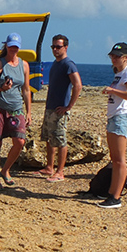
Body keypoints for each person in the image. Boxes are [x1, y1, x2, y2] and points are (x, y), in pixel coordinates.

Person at [0, 32, 31, 188]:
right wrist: (1, 88)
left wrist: (29, 111)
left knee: (20, 141)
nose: (13, 49)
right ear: (6, 46)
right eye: (11, 46)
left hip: (16, 108)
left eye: (16, 47)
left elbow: (26, 89)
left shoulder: (24, 65)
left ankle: (6, 170)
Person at [39, 34, 82, 182]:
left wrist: (68, 106)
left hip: (59, 109)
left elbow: (78, 85)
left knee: (60, 139)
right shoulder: (56, 64)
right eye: (53, 47)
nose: (55, 49)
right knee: (49, 138)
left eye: (58, 47)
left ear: (65, 47)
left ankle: (60, 171)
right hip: (50, 107)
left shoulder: (68, 64)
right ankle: (49, 167)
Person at [99, 42, 127, 209]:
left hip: (120, 118)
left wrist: (112, 91)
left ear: (125, 58)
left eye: (117, 56)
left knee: (120, 160)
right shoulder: (119, 74)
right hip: (113, 118)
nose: (114, 59)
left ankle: (116, 196)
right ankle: (112, 193)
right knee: (114, 159)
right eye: (112, 56)